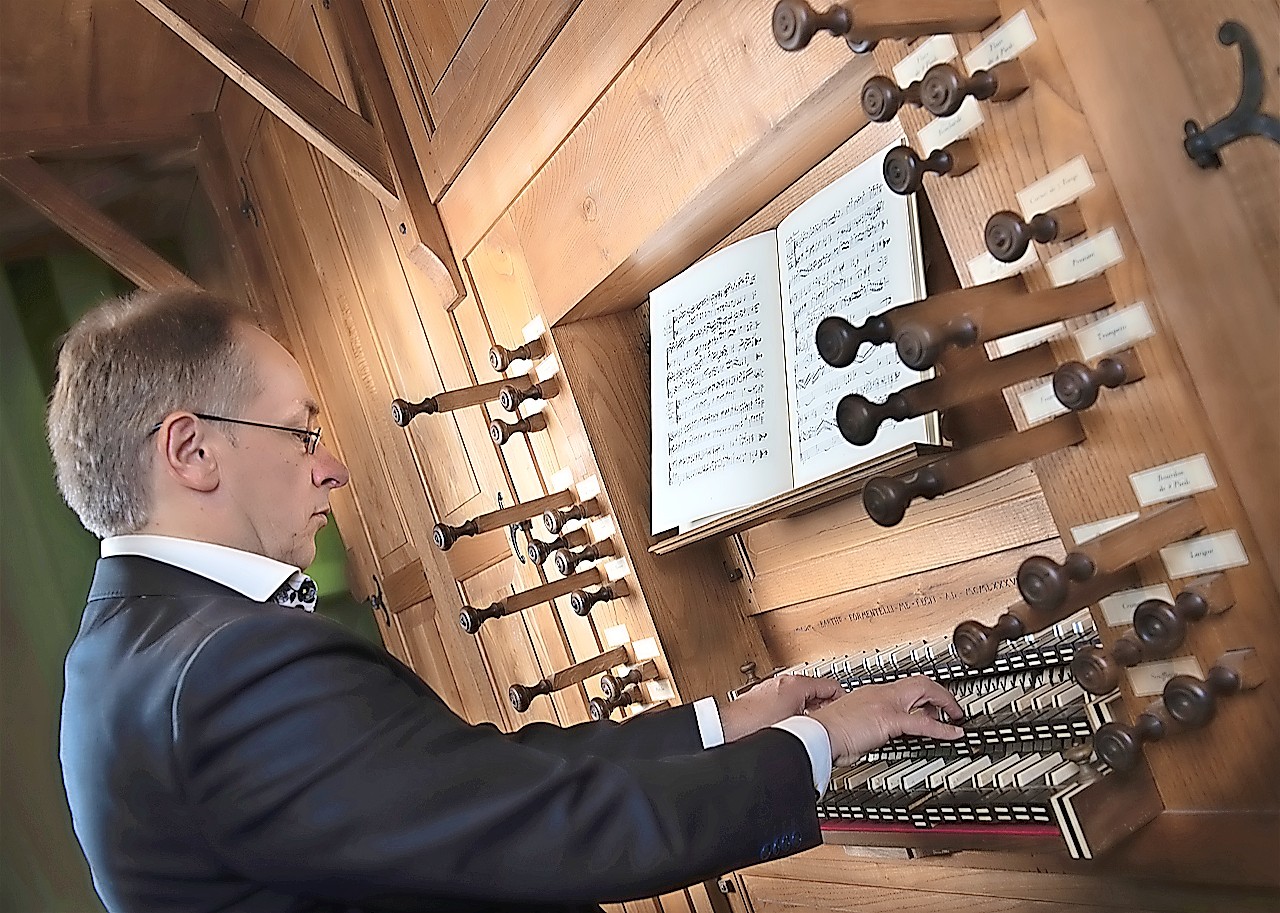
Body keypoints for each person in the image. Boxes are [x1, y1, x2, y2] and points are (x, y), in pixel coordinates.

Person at [52, 289, 964, 913]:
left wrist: (724, 722)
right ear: (192, 451)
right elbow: (541, 826)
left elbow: (475, 782)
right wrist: (820, 740)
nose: (330, 464)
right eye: (299, 432)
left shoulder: (123, 657)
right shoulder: (219, 670)